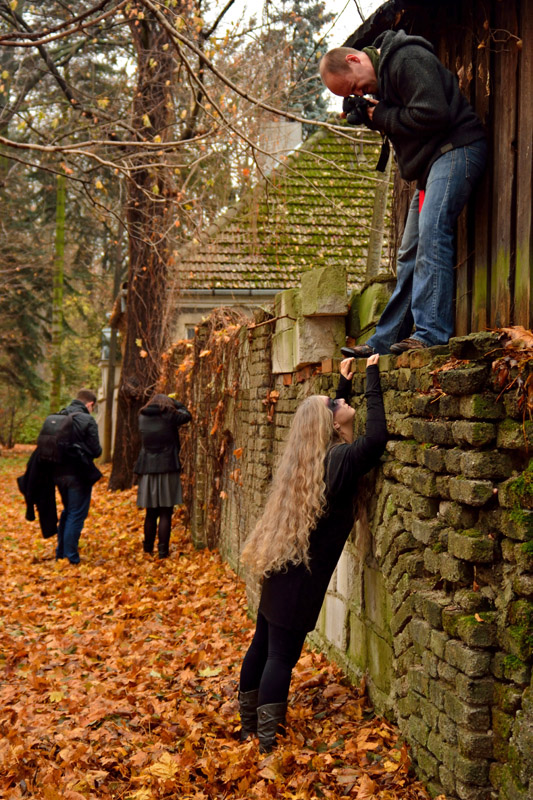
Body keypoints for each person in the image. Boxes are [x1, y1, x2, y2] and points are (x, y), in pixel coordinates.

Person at [237, 355, 388, 752]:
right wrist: (372, 376)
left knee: (263, 645)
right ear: (332, 424)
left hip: (283, 574)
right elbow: (374, 443)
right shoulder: (338, 462)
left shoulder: (321, 461)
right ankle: (266, 743)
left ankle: (248, 728)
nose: (339, 405)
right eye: (335, 405)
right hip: (299, 584)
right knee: (280, 657)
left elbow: (339, 429)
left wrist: (343, 387)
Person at [319, 31, 487, 355]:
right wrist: (370, 115)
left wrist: (380, 115)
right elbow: (405, 119)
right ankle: (384, 340)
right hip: (431, 166)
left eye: (355, 86)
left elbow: (432, 112)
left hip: (457, 149)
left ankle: (431, 333)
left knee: (432, 231)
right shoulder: (383, 82)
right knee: (408, 251)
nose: (360, 92)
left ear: (355, 59)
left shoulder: (406, 57)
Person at [134, 393, 192, 558]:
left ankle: (147, 550)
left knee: (151, 513)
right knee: (166, 512)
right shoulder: (169, 415)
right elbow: (187, 415)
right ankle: (163, 551)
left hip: (148, 469)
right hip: (167, 467)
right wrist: (174, 402)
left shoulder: (142, 416)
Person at [54, 389, 102, 564]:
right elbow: (97, 451)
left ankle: (60, 553)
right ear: (89, 404)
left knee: (68, 511)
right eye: (93, 407)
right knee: (76, 514)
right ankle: (71, 557)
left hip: (58, 473)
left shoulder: (59, 415)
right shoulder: (87, 420)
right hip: (78, 474)